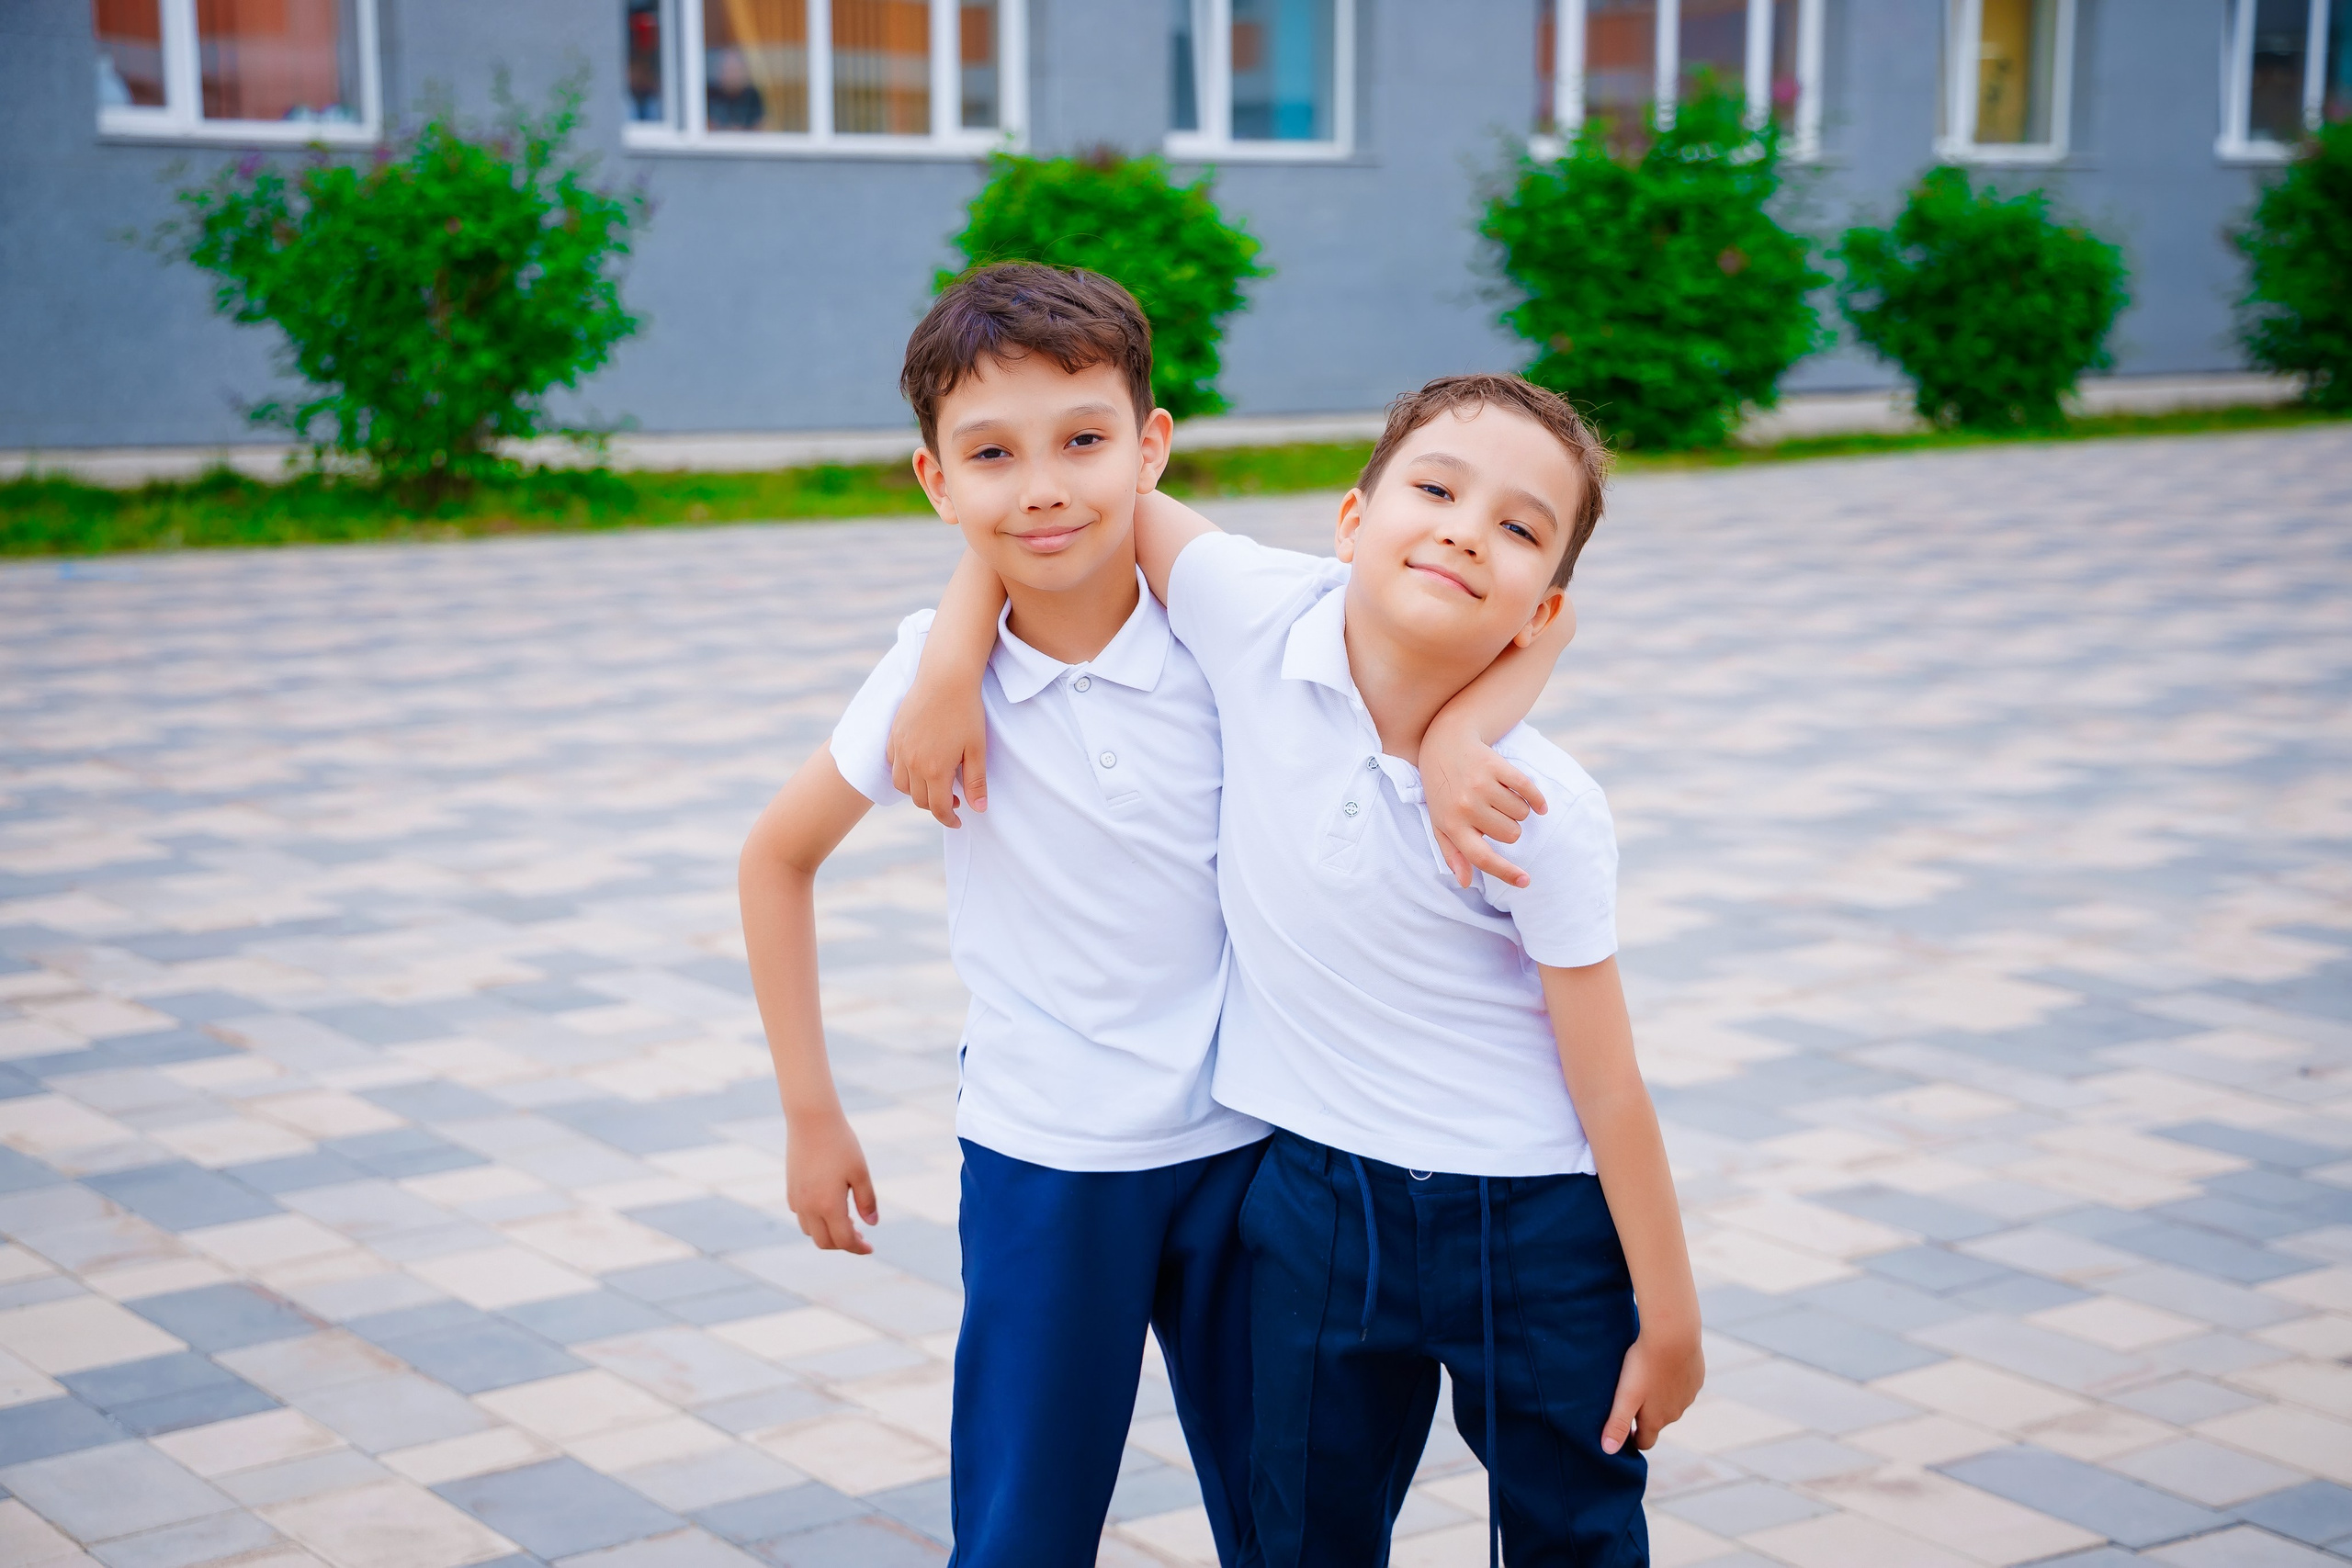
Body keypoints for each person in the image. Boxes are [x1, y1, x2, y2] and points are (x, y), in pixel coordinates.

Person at [737, 265, 1566, 1568]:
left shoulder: (1237, 627)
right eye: (993, 455)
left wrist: (1461, 734)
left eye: (1084, 441)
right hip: (1046, 1161)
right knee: (1023, 1531)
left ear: (1151, 444)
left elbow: (1496, 623)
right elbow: (775, 860)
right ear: (935, 483)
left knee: (1290, 1525)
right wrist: (808, 1112)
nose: (1047, 485)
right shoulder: (927, 676)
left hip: (1258, 1153)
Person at [898, 371, 1703, 1566]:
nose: (1465, 529)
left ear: (1542, 610)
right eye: (1434, 488)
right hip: (1316, 1201)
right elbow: (1069, 506)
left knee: (1571, 1532)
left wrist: (1672, 1311)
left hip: (1528, 1220)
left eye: (1519, 527)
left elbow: (1611, 1088)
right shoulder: (1251, 612)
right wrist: (951, 663)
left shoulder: (1538, 809)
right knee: (1300, 1537)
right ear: (1348, 519)